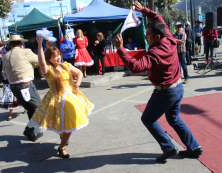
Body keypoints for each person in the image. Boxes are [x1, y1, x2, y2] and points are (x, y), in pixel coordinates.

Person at [114, 2, 202, 162]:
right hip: (177, 87)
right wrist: (144, 10)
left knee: (147, 118)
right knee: (174, 119)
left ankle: (168, 148)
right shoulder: (168, 37)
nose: (146, 36)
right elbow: (158, 17)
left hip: (166, 92)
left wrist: (121, 49)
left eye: (148, 34)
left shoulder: (155, 52)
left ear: (157, 36)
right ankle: (194, 147)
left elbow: (135, 66)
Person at [31, 36, 94, 158]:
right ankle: (62, 143)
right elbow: (41, 61)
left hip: (70, 98)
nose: (58, 57)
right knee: (64, 125)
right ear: (49, 59)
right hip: (56, 100)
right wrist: (40, 45)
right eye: (54, 56)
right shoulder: (48, 70)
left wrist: (77, 85)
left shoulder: (65, 65)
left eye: (58, 55)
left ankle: (62, 145)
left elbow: (80, 73)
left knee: (71, 123)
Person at [2, 34, 43, 142]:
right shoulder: (26, 52)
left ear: (10, 45)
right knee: (39, 108)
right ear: (21, 44)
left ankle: (33, 132)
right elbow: (40, 61)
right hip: (25, 85)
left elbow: (5, 74)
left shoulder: (5, 56)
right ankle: (30, 129)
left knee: (30, 108)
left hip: (14, 87)